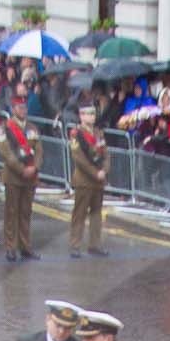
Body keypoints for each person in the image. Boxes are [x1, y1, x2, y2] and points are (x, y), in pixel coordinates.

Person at [0, 104, 42, 261]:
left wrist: (34, 167)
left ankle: (25, 246)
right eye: (19, 107)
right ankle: (10, 246)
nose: (23, 110)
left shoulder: (32, 128)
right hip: (13, 176)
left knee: (25, 213)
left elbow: (39, 150)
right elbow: (6, 152)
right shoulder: (5, 128)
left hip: (30, 177)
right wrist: (21, 168)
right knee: (11, 212)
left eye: (25, 107)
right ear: (13, 109)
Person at [67, 103, 108, 256]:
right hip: (84, 180)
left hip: (98, 180)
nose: (92, 117)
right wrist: (95, 172)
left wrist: (104, 169)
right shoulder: (76, 134)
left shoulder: (98, 133)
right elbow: (79, 158)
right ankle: (75, 244)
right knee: (80, 213)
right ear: (81, 116)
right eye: (88, 114)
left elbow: (105, 153)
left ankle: (95, 244)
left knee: (96, 213)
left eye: (93, 114)